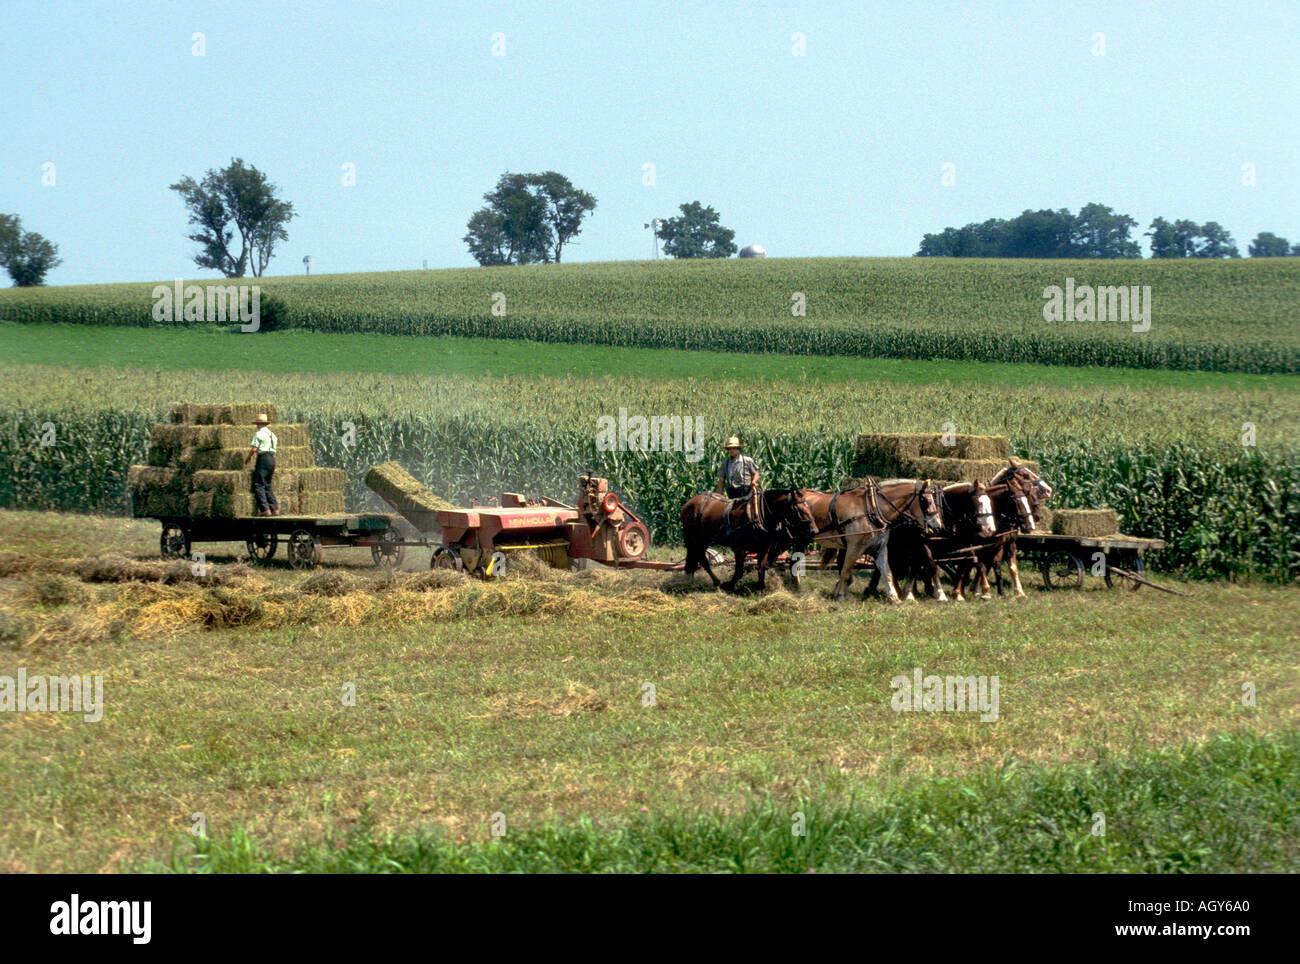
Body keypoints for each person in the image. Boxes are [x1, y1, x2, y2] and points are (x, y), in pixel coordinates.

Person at [715, 436, 762, 527]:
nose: (732, 450)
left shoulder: (747, 460)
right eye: (730, 449)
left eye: (734, 448)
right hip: (732, 493)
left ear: (738, 449)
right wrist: (719, 496)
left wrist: (754, 482)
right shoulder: (725, 464)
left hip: (746, 492)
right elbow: (721, 481)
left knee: (754, 511)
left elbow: (756, 473)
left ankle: (757, 523)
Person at [244, 413, 279, 516]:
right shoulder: (273, 435)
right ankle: (274, 509)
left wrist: (248, 457)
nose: (256, 426)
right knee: (267, 484)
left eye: (257, 424)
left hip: (263, 459)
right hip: (272, 459)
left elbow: (254, 448)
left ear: (259, 424)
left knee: (259, 484)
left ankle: (264, 509)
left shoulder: (259, 433)